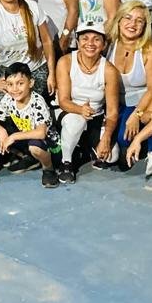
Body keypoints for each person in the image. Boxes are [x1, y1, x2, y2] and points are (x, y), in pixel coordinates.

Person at [55, 22, 121, 183]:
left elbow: (112, 111)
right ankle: (66, 162)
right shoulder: (65, 62)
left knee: (111, 156)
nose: (90, 43)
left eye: (96, 39)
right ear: (78, 42)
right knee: (76, 122)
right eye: (85, 38)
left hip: (95, 116)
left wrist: (106, 138)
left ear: (104, 44)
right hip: (69, 111)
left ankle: (83, 145)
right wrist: (80, 110)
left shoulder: (109, 70)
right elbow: (63, 101)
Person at [109, 1, 152, 177]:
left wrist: (137, 115)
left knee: (123, 138)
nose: (132, 24)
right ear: (119, 20)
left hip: (142, 103)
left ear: (145, 26)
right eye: (128, 18)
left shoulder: (151, 51)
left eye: (139, 21)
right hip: (115, 102)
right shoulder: (109, 43)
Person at [0, 62, 59, 188]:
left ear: (30, 83)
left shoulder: (37, 101)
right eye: (10, 84)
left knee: (35, 147)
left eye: (20, 83)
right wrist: (2, 131)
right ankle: (29, 158)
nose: (15, 89)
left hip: (49, 144)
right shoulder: (9, 98)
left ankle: (48, 169)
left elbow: (41, 133)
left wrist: (13, 137)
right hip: (26, 138)